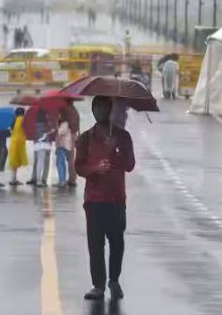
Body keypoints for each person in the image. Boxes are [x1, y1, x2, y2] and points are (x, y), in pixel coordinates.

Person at [76, 96, 135, 301]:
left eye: (103, 107)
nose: (99, 111)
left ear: (110, 109)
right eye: (96, 107)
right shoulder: (85, 138)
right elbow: (79, 167)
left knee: (117, 242)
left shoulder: (123, 136)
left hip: (116, 198)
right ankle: (98, 285)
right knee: (95, 244)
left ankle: (114, 280)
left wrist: (117, 150)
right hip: (94, 199)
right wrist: (95, 169)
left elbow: (130, 165)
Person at [28, 109, 54, 187]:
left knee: (39, 162)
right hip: (47, 145)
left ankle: (38, 179)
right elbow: (48, 134)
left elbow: (35, 135)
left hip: (38, 146)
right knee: (46, 163)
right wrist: (52, 131)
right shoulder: (47, 124)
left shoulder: (35, 125)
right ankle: (43, 179)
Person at [8, 107, 29, 186]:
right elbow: (26, 129)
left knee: (14, 163)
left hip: (13, 143)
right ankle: (13, 180)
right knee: (16, 163)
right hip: (19, 143)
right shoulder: (22, 119)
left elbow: (12, 131)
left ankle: (13, 179)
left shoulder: (14, 121)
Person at [55, 112, 74, 187]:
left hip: (62, 145)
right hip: (64, 145)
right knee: (62, 163)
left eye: (59, 115)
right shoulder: (66, 124)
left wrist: (55, 128)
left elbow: (59, 133)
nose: (58, 116)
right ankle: (63, 179)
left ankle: (62, 181)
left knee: (59, 163)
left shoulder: (64, 124)